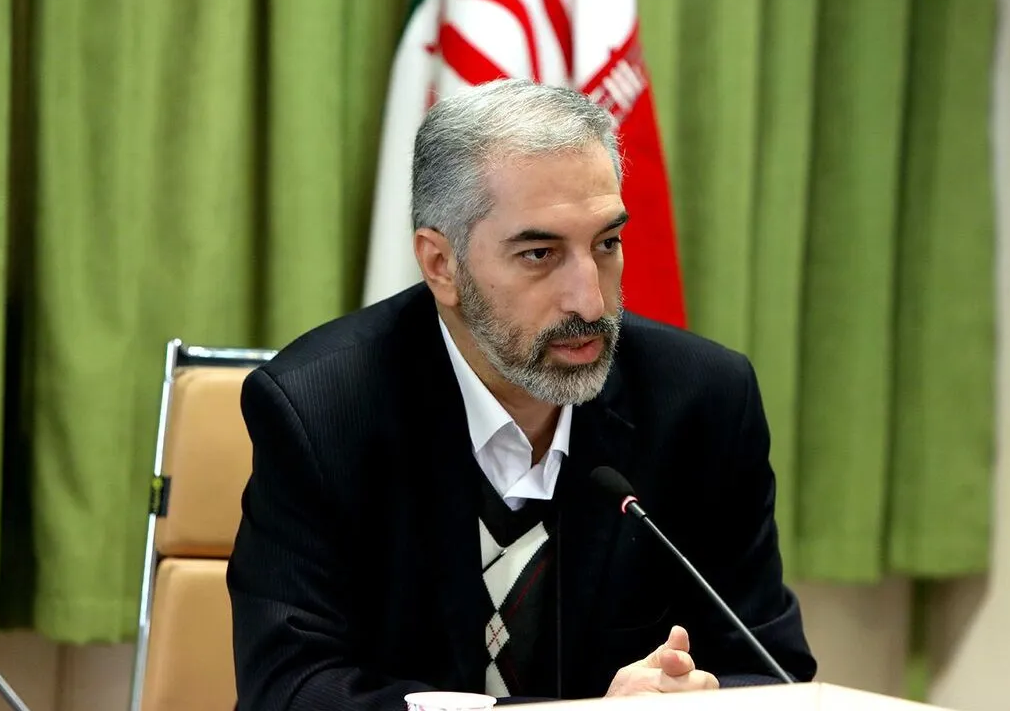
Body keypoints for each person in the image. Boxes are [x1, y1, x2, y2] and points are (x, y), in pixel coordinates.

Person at [226, 79, 816, 710]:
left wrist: (690, 697)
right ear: (441, 264)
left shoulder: (701, 402)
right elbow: (287, 688)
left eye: (607, 244)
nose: (590, 301)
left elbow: (771, 670)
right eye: (539, 253)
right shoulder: (322, 410)